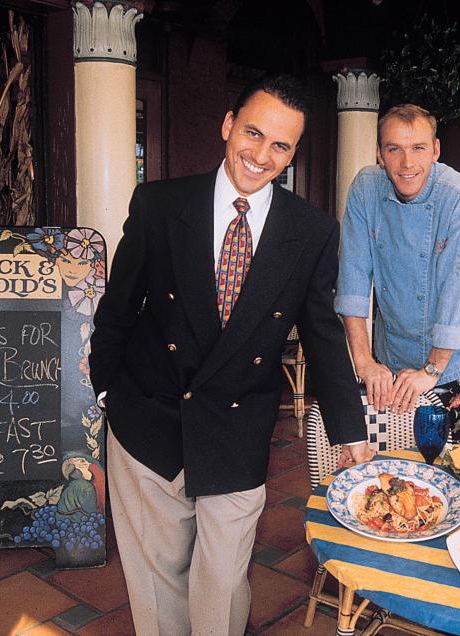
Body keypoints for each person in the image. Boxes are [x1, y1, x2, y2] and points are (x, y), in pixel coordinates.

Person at [89, 74, 371, 636]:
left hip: (238, 424)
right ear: (227, 126)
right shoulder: (159, 204)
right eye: (253, 133)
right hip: (147, 416)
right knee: (158, 580)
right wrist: (106, 394)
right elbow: (116, 309)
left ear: (292, 154)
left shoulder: (310, 230)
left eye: (280, 146)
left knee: (221, 580)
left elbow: (321, 334)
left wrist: (350, 430)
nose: (261, 155)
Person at [335, 104, 460, 443]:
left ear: (435, 150)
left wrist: (432, 370)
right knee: (395, 466)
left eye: (418, 148)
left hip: (456, 361)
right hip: (392, 356)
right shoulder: (365, 190)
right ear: (379, 153)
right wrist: (364, 362)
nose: (407, 163)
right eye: (394, 149)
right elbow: (352, 281)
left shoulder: (458, 197)